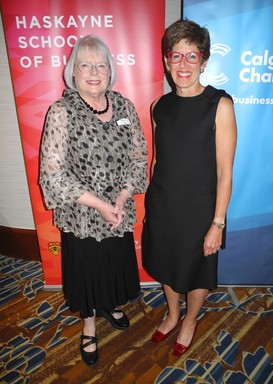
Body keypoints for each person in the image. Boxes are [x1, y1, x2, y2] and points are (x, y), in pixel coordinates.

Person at [39, 35, 148, 365]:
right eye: (85, 64)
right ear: (73, 72)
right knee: (87, 270)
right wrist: (100, 205)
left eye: (100, 64)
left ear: (110, 70)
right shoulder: (62, 111)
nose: (93, 72)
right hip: (82, 215)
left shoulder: (124, 106)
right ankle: (89, 325)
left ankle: (110, 304)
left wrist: (123, 194)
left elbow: (138, 155)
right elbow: (53, 173)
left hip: (120, 209)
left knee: (113, 264)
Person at [142, 19, 237, 357]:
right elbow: (156, 162)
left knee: (196, 271)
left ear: (204, 61)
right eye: (175, 56)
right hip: (164, 206)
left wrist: (218, 224)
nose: (183, 65)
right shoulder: (159, 107)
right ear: (167, 61)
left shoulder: (219, 105)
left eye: (192, 56)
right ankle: (172, 313)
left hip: (200, 212)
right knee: (167, 264)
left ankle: (190, 319)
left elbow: (225, 173)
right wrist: (151, 207)